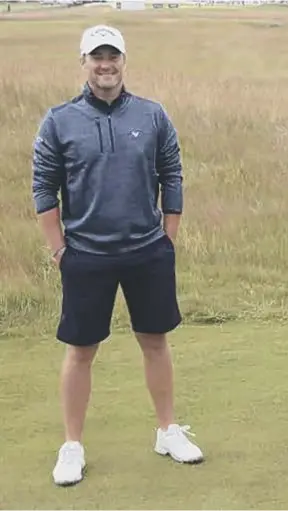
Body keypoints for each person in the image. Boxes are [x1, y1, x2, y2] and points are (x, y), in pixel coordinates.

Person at [31, 25, 203, 487]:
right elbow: (44, 189)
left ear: (124, 61)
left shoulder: (152, 115)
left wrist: (169, 235)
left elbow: (172, 173)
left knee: (154, 341)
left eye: (113, 57)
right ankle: (72, 446)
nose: (105, 65)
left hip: (147, 250)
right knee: (81, 350)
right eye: (96, 57)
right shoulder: (59, 120)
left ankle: (168, 430)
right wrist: (59, 250)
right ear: (83, 62)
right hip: (86, 253)